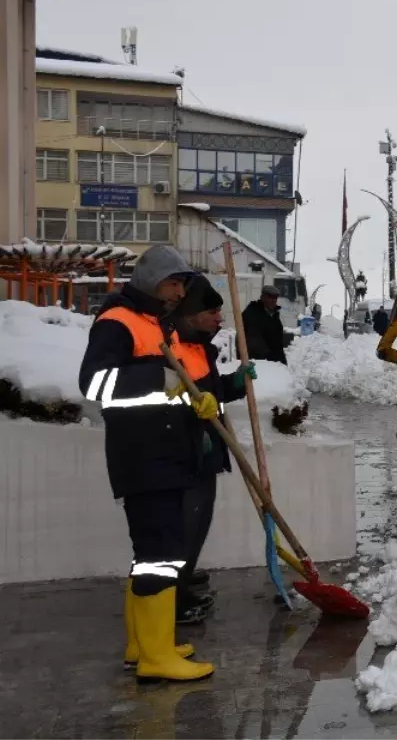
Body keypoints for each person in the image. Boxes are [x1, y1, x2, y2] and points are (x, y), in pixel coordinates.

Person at [77, 245, 216, 683]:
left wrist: (196, 400)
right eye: (176, 284)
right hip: (144, 459)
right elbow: (95, 386)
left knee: (152, 556)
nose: (179, 293)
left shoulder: (158, 325)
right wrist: (162, 379)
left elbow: (172, 387)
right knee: (162, 555)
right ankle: (157, 658)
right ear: (156, 281)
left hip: (166, 453)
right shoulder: (118, 323)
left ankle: (145, 645)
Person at [167, 276, 256, 625]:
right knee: (184, 529)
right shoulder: (171, 347)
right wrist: (192, 420)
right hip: (182, 455)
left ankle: (183, 582)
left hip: (202, 452)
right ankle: (173, 599)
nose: (220, 319)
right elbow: (165, 399)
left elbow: (211, 390)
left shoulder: (199, 346)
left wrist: (235, 382)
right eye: (213, 311)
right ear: (191, 314)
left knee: (197, 525)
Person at [241, 285, 291, 364]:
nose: (273, 300)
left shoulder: (274, 316)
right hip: (257, 362)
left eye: (275, 297)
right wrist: (269, 356)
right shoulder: (252, 313)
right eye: (270, 297)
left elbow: (278, 344)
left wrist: (282, 362)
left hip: (274, 363)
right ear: (263, 297)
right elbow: (252, 339)